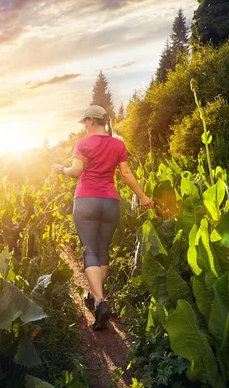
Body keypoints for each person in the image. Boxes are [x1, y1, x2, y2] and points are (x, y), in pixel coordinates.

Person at [51, 104, 154, 331]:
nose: (84, 127)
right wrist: (143, 197)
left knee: (90, 250)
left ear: (90, 120)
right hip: (110, 202)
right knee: (102, 250)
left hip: (87, 200)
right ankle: (94, 295)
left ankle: (99, 302)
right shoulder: (118, 144)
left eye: (85, 123)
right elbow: (126, 174)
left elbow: (76, 171)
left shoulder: (82, 143)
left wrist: (61, 168)